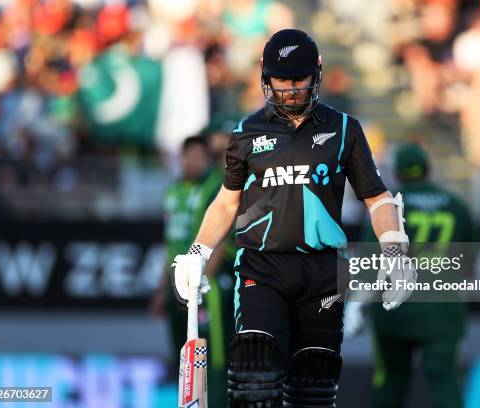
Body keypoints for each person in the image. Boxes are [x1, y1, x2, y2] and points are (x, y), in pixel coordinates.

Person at [171, 29, 417, 407]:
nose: (289, 89)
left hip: (323, 272)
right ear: (265, 77)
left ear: (317, 72)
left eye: (298, 79)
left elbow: (377, 197)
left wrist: (395, 250)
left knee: (312, 387)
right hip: (262, 268)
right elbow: (226, 202)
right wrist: (198, 251)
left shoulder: (344, 128)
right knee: (255, 374)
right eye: (280, 80)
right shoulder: (246, 132)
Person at [365, 143, 476, 408]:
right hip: (441, 309)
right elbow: (471, 261)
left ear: (397, 172)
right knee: (445, 380)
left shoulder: (387, 206)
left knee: (390, 381)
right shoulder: (457, 206)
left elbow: (369, 261)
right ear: (428, 169)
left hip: (394, 308)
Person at [149, 135, 234, 407]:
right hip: (177, 283)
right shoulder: (173, 192)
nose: (195, 162)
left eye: (201, 157)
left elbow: (221, 236)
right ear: (182, 157)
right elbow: (169, 243)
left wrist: (200, 280)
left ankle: (218, 401)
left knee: (213, 355)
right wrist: (163, 288)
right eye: (191, 156)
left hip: (203, 285)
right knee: (182, 355)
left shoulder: (214, 188)